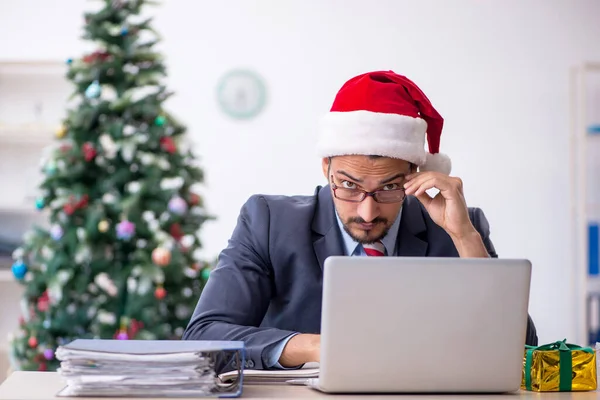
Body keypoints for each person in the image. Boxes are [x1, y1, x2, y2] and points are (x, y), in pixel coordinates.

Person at [183, 70, 538, 371]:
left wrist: (465, 238)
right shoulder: (268, 221)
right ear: (326, 168)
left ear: (414, 173)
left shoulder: (457, 226)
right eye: (349, 185)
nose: (367, 213)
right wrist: (317, 347)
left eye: (389, 188)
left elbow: (522, 349)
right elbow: (205, 337)